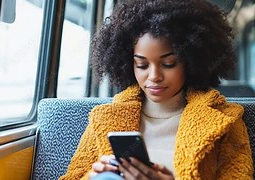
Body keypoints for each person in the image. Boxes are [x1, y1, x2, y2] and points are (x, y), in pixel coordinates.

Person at [59, 0, 254, 179]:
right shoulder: (105, 118)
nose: (154, 76)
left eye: (168, 64)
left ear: (191, 61)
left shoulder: (226, 123)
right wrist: (93, 175)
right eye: (142, 65)